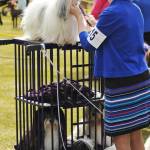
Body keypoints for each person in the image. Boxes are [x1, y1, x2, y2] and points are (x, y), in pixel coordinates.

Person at [70, 0, 150, 150]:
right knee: (135, 136)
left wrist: (79, 18)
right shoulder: (135, 9)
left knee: (121, 138)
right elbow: (116, 35)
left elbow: (88, 44)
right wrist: (96, 25)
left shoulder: (111, 13)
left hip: (122, 85)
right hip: (141, 82)